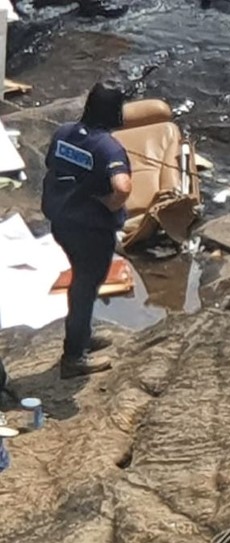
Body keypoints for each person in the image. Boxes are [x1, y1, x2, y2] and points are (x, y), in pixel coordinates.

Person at [41, 81, 132, 379]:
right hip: (91, 231)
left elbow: (51, 162)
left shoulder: (63, 132)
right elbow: (122, 186)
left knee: (82, 283)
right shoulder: (108, 147)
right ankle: (74, 357)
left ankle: (81, 335)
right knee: (84, 287)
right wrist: (110, 202)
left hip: (62, 224)